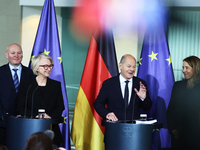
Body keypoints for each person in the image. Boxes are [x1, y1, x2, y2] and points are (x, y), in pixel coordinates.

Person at [16, 54, 65, 146]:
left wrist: (49, 116)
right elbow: (21, 108)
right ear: (37, 68)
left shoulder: (56, 85)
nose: (49, 68)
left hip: (51, 129)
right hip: (31, 129)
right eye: (45, 66)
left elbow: (60, 106)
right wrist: (37, 115)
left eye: (50, 66)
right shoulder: (27, 86)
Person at [93, 54, 152, 121]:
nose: (132, 69)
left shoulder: (140, 84)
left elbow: (147, 107)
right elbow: (98, 103)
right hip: (115, 127)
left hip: (135, 129)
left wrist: (143, 98)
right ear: (120, 66)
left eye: (134, 67)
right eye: (129, 66)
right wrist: (107, 113)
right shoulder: (109, 84)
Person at [0, 43, 34, 145]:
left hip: (25, 123)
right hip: (2, 123)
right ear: (7, 55)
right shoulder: (0, 72)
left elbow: (33, 97)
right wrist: (3, 115)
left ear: (22, 54)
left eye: (19, 53)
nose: (16, 55)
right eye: (13, 53)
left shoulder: (30, 73)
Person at [167, 56, 200, 150]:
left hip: (196, 137)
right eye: (183, 67)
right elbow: (171, 110)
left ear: (196, 68)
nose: (183, 70)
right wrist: (173, 129)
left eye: (187, 68)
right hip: (178, 136)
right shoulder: (178, 86)